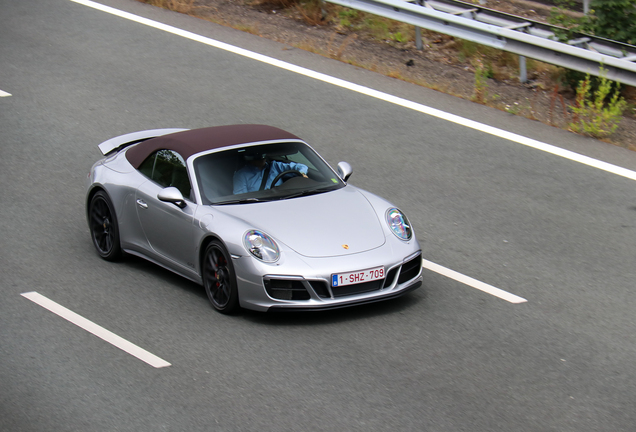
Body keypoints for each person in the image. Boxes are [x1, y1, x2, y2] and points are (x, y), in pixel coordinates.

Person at [233, 153, 308, 194]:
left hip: (283, 199)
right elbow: (242, 198)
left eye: (263, 154)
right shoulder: (241, 175)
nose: (262, 157)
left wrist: (302, 174)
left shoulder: (275, 166)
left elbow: (301, 166)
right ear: (250, 158)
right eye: (258, 155)